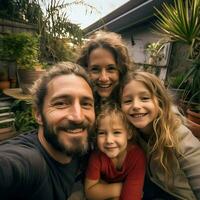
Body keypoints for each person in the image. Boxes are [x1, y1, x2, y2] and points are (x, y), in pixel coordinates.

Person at [0, 62, 95, 200]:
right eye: (61, 103)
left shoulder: (82, 147)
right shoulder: (29, 161)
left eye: (86, 104)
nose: (78, 117)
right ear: (38, 114)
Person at [120, 70, 200, 200]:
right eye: (128, 101)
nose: (136, 106)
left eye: (145, 98)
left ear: (160, 102)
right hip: (153, 189)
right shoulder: (130, 132)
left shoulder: (178, 135)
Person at [85, 102, 146, 200]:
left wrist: (102, 187)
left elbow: (132, 196)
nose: (109, 140)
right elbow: (90, 192)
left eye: (116, 132)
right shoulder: (97, 156)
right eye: (102, 133)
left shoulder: (137, 157)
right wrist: (122, 187)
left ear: (129, 134)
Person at [77, 30, 132, 110]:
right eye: (95, 69)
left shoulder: (132, 109)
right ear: (85, 70)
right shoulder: (77, 109)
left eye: (111, 69)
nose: (103, 78)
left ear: (121, 70)